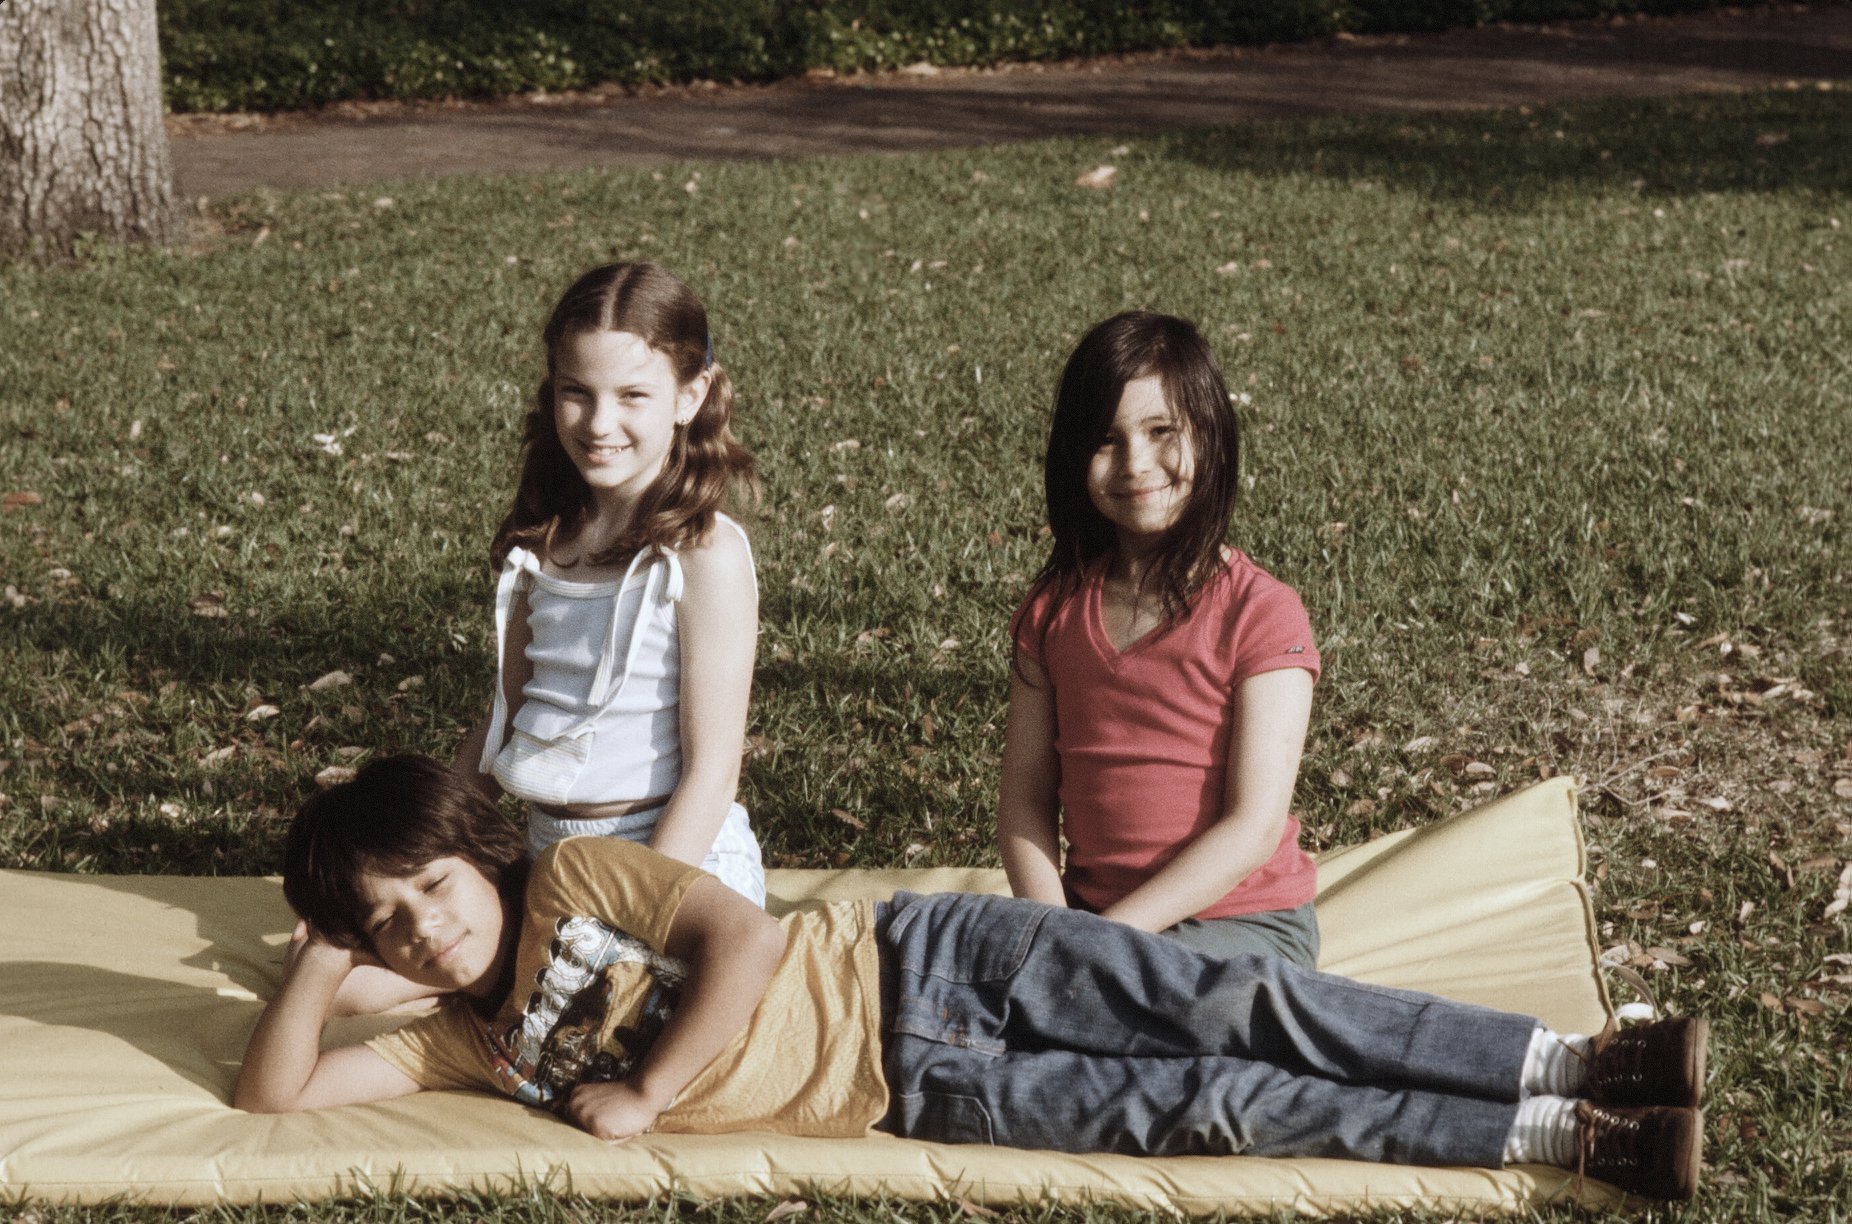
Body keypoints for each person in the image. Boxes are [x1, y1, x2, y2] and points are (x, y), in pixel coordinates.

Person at [237, 756, 1709, 1201]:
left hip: (926, 956)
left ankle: (1574, 1059)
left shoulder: (569, 878)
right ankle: (1563, 1141)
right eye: (388, 926)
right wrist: (316, 955)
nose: (422, 930)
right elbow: (280, 1096)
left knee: (1237, 1004)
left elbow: (742, 940)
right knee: (1214, 1111)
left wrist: (649, 1088)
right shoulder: (456, 1044)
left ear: (475, 856)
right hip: (930, 1086)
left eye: (424, 886)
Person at [322, 263, 764, 1015]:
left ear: (689, 397)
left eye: (632, 397)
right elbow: (503, 719)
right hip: (544, 855)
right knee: (349, 987)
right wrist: (425, 853)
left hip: (667, 860)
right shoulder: (545, 545)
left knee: (581, 1025)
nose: (598, 424)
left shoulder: (705, 553)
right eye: (576, 393)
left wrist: (631, 922)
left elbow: (713, 771)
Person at [1000, 310, 1324, 966]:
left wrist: (1101, 945)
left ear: (1210, 438)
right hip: (1094, 928)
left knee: (1179, 1005)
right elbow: (1023, 803)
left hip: (1244, 926)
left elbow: (1254, 829)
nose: (1135, 464)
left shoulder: (1263, 613)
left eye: (1160, 432)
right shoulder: (1053, 611)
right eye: (1106, 440)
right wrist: (1054, 935)